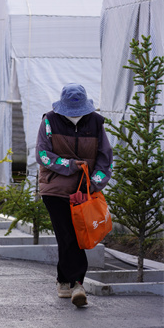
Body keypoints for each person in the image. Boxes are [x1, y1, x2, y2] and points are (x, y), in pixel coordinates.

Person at [36, 83, 113, 307]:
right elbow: (43, 154)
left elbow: (104, 158)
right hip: (55, 189)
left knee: (75, 236)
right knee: (69, 235)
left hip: (84, 190)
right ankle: (78, 283)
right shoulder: (49, 121)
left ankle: (63, 281)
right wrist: (70, 165)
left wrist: (94, 184)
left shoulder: (96, 123)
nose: (75, 116)